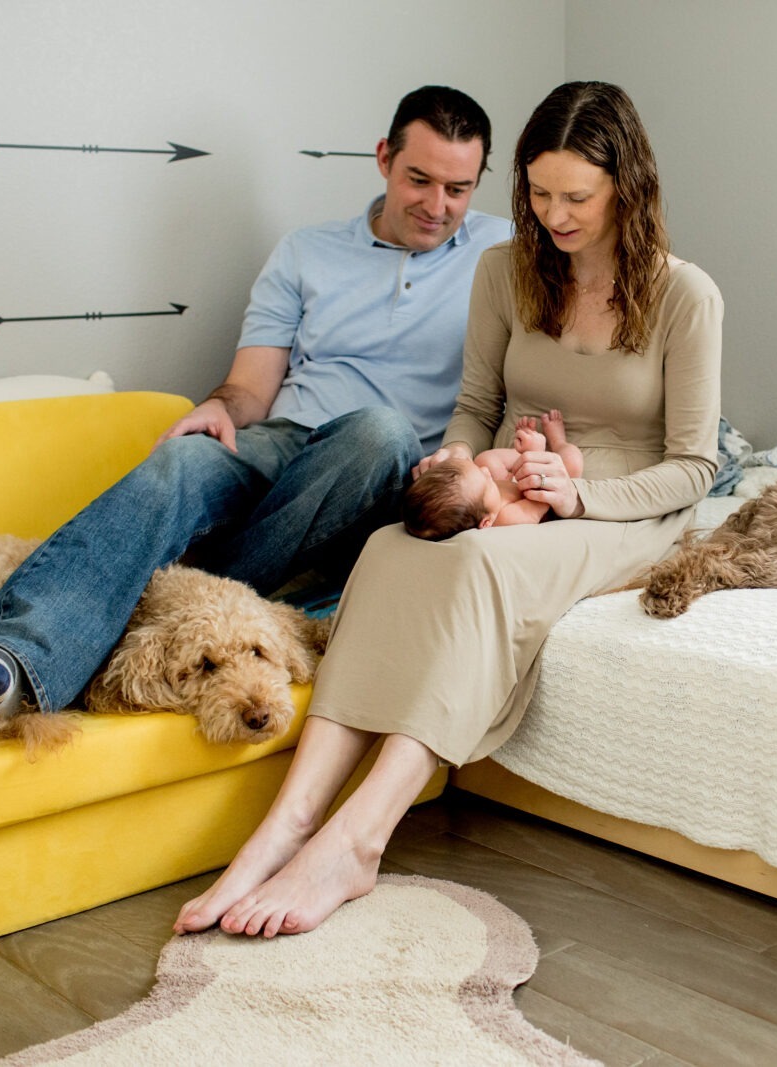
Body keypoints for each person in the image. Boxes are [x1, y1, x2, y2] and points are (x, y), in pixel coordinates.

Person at [175, 81, 723, 939]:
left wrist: (580, 495)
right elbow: (475, 401)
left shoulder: (685, 296)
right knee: (392, 551)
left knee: (474, 566)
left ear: (628, 186)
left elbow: (695, 464)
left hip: (621, 504)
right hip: (507, 481)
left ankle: (357, 839)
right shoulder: (505, 269)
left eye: (576, 196)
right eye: (538, 194)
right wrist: (460, 461)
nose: (555, 215)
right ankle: (286, 822)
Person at [0, 86, 512, 717]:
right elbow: (251, 388)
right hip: (285, 442)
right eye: (419, 180)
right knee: (179, 463)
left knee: (379, 431)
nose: (436, 206)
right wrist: (220, 408)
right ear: (384, 160)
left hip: (389, 472)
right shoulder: (306, 251)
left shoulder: (503, 254)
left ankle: (174, 606)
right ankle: (8, 661)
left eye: (458, 189)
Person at [401, 409, 583, 539]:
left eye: (478, 472)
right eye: (485, 480)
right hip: (544, 493)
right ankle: (557, 442)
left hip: (513, 485)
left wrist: (488, 477)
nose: (485, 472)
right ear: (486, 522)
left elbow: (484, 475)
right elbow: (541, 499)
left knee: (485, 459)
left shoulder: (480, 501)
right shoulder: (507, 519)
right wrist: (537, 453)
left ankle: (524, 447)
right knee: (573, 461)